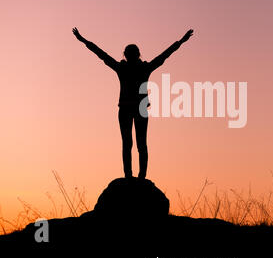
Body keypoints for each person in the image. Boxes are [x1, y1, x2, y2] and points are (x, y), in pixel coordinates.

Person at [72, 27, 194, 179]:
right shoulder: (139, 68)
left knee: (131, 144)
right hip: (132, 109)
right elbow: (164, 56)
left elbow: (101, 54)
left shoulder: (127, 68)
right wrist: (180, 41)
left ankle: (133, 176)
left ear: (128, 55)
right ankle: (136, 176)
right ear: (135, 54)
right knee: (137, 144)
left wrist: (181, 41)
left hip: (128, 109)